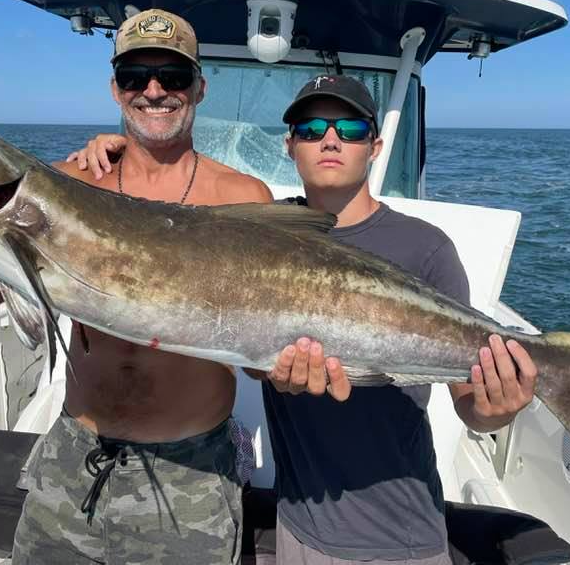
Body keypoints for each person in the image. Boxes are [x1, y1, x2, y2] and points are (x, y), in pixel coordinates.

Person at [0, 9, 272, 565]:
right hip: (74, 454)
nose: (155, 91)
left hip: (189, 471)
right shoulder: (69, 180)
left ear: (200, 88)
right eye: (136, 76)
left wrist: (289, 366)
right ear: (115, 88)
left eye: (174, 76)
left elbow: (261, 351)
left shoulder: (243, 198)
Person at [72, 74, 539, 564]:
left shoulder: (426, 248)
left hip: (401, 533)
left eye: (351, 129)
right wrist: (127, 149)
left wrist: (500, 405)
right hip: (296, 525)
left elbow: (472, 407)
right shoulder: (260, 233)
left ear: (375, 146)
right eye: (312, 128)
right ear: (290, 145)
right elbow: (181, 234)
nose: (331, 139)